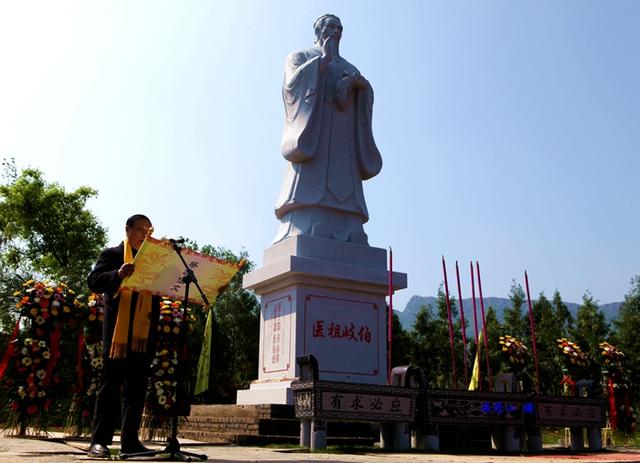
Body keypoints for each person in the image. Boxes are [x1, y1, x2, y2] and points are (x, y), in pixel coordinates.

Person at [274, 14, 383, 245]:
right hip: (316, 135)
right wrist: (322, 62)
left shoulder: (349, 67)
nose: (335, 31)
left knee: (345, 178)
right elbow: (291, 86)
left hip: (344, 140)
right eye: (330, 26)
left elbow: (364, 96)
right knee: (313, 178)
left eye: (338, 28)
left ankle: (351, 225)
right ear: (318, 31)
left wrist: (361, 87)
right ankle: (308, 220)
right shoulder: (301, 56)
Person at [87, 214, 160, 458]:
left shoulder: (153, 261)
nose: (144, 234)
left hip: (143, 334)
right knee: (109, 388)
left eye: (148, 231)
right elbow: (94, 281)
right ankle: (99, 442)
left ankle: (131, 442)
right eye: (140, 229)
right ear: (127, 230)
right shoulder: (112, 254)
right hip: (118, 335)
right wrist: (117, 275)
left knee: (136, 390)